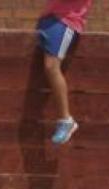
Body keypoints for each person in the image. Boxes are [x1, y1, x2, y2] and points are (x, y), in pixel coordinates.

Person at [37, 0, 92, 145]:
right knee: (47, 67)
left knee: (51, 66)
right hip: (51, 19)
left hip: (66, 20)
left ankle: (66, 120)